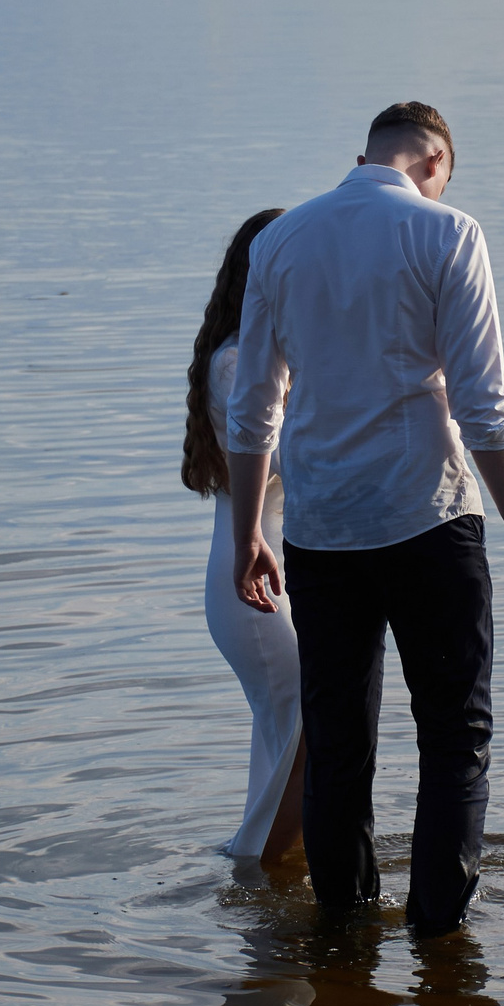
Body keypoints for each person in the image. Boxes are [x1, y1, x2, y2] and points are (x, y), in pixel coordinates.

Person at [223, 102, 504, 936]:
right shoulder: (449, 233)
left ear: (361, 155)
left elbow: (253, 406)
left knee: (338, 739)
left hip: (322, 527)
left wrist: (246, 537)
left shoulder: (281, 240)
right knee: (454, 735)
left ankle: (344, 931)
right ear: (437, 161)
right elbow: (484, 406)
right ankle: (441, 938)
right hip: (427, 518)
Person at [185, 208, 305, 863]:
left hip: (269, 572)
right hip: (253, 582)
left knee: (287, 735)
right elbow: (288, 457)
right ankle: (266, 873)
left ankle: (264, 871)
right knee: (307, 728)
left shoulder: (268, 355)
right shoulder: (237, 363)